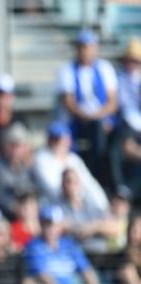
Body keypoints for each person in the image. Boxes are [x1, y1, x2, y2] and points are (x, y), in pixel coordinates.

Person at [55, 29, 118, 181]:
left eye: (89, 47)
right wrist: (88, 117)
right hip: (76, 120)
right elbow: (69, 103)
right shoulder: (67, 70)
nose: (85, 51)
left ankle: (111, 181)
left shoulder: (105, 68)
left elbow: (113, 102)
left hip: (100, 120)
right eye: (82, 47)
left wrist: (99, 117)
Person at [23, 205, 100, 284]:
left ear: (60, 226)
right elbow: (44, 277)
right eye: (46, 225)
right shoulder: (34, 247)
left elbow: (87, 271)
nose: (50, 229)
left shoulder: (69, 245)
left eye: (53, 225)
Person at [33, 121, 108, 209]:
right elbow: (52, 187)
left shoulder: (74, 159)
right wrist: (74, 196)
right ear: (50, 140)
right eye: (56, 139)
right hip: (52, 206)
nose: (61, 142)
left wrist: (103, 206)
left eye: (64, 139)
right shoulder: (41, 158)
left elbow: (90, 183)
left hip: (78, 204)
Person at [118, 214, 141, 284]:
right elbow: (130, 279)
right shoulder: (124, 253)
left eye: (135, 231)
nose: (131, 234)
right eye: (130, 230)